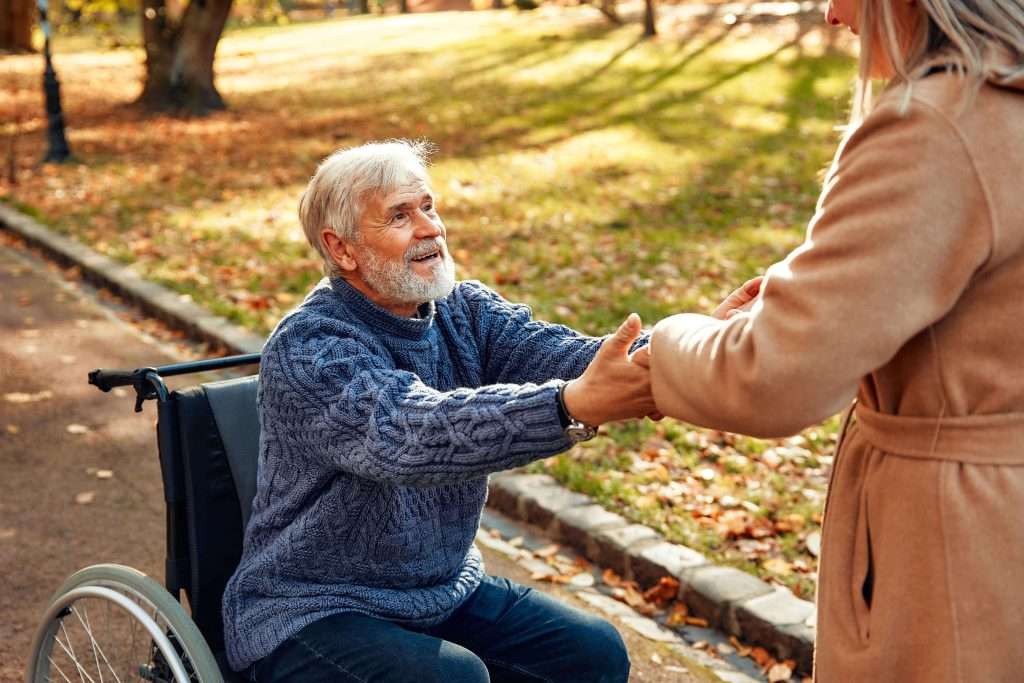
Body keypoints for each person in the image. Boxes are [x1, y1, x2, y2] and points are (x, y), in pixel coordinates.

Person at [644, 0, 1024, 679]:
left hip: (955, 549)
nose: (831, 13)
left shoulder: (941, 122)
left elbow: (772, 377)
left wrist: (675, 339)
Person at [222, 140, 655, 682]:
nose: (429, 228)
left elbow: (572, 355)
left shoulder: (462, 310)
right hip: (313, 608)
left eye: (428, 206)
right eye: (399, 216)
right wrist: (568, 406)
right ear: (343, 249)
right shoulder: (311, 346)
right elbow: (412, 433)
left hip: (440, 590)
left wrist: (692, 347)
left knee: (593, 652)